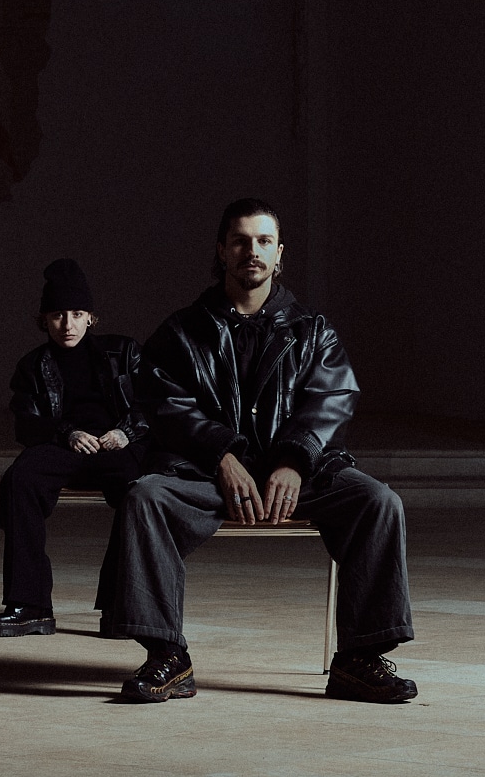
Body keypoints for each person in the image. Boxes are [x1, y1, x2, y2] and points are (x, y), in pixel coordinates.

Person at [104, 197, 417, 705]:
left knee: (378, 502)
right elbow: (162, 402)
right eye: (241, 241)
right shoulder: (181, 331)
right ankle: (167, 657)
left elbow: (332, 398)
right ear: (222, 251)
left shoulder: (313, 331)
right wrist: (222, 455)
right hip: (204, 471)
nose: (253, 251)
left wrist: (294, 459)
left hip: (297, 472)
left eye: (264, 242)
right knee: (146, 497)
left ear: (279, 254)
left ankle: (358, 661)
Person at [0, 258, 151, 636]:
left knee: (141, 489)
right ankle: (30, 605)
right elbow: (26, 423)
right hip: (65, 445)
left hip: (118, 446)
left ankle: (118, 605)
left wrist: (126, 430)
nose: (68, 324)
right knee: (21, 479)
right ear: (43, 320)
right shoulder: (32, 365)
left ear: (91, 318)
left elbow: (155, 404)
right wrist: (68, 434)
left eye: (77, 314)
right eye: (58, 315)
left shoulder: (124, 352)